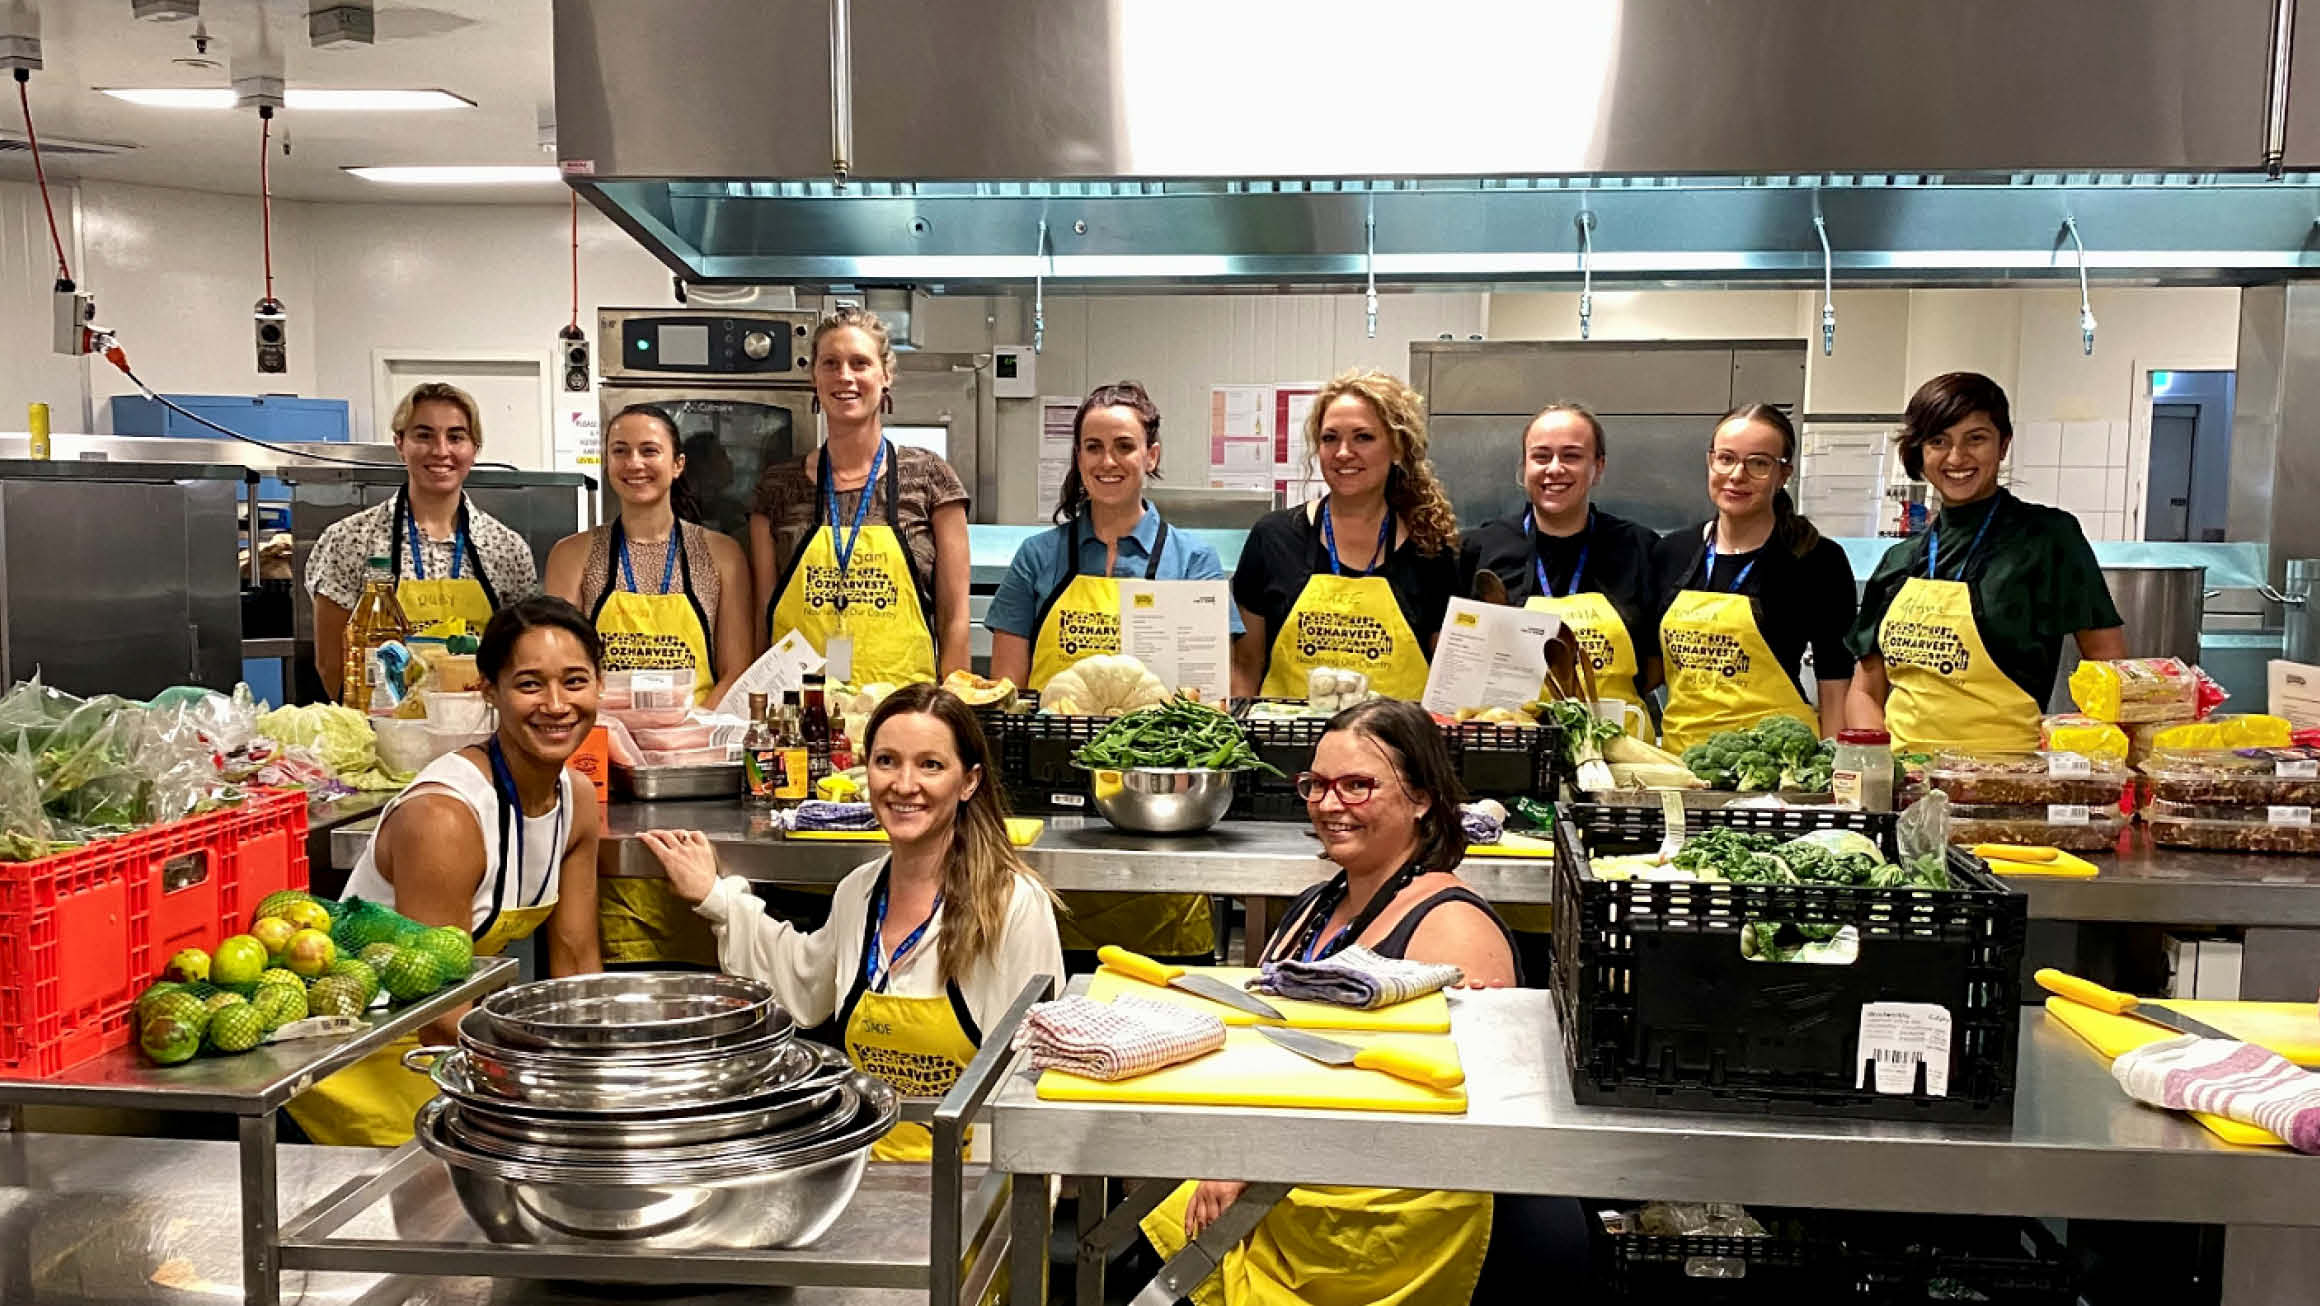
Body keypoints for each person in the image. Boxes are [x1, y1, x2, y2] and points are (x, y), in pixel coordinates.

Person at [1142, 698, 1517, 1306]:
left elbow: (1459, 1121)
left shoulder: (1453, 930)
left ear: (1421, 798)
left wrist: (1257, 1157)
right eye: (1316, 785)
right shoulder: (1320, 902)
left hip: (1386, 1222)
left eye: (1358, 785)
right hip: (1298, 1171)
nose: (1329, 804)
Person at [647, 683, 1064, 1161]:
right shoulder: (860, 892)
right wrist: (714, 898)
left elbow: (1030, 1073)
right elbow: (805, 981)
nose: (904, 785)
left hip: (966, 1187)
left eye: (931, 764)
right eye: (887, 761)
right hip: (866, 1177)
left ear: (968, 781)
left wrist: (994, 1216)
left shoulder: (1012, 904)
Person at [285, 598, 604, 1146]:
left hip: (451, 1049)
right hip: (371, 1052)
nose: (556, 705)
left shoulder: (575, 798)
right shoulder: (446, 817)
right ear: (490, 693)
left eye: (575, 681)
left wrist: (600, 1066)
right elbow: (439, 1007)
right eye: (529, 685)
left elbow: (576, 961)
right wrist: (543, 1089)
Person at [986, 381, 1239, 963]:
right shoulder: (1038, 556)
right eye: (1092, 447)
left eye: (1124, 446)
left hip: (1158, 806)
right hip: (1049, 800)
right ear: (1078, 458)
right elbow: (1005, 694)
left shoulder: (1191, 559)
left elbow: (1209, 698)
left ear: (1151, 454)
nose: (1107, 461)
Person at [545, 403, 754, 970]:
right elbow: (557, 668)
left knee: (702, 917)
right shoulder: (574, 555)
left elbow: (737, 666)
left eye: (649, 451)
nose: (634, 464)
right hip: (599, 773)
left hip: (695, 775)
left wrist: (677, 745)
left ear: (678, 464)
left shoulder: (721, 556)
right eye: (620, 451)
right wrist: (613, 743)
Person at [1849, 372, 2127, 754]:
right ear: (1920, 452)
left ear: (2003, 444)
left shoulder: (2047, 538)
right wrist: (1880, 767)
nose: (1956, 458)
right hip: (1906, 785)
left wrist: (2080, 755)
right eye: (1938, 441)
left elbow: (2108, 666)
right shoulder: (1899, 560)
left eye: (1975, 439)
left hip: (2008, 781)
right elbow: (1865, 689)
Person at [748, 306, 972, 686]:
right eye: (830, 363)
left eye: (860, 363)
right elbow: (761, 615)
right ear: (813, 377)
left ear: (885, 376)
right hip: (798, 714)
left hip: (903, 716)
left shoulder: (930, 478)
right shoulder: (777, 488)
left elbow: (956, 617)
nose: (845, 376)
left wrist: (949, 710)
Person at [1231, 369, 1462, 701]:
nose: (1342, 452)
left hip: (1397, 746)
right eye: (1330, 438)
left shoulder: (1432, 549)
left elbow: (1448, 680)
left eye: (1363, 437)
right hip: (1287, 745)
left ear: (1398, 447)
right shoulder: (1273, 538)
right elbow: (1247, 663)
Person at [307, 382, 538, 700]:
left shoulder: (507, 549)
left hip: (484, 733)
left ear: (474, 448)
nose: (441, 450)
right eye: (424, 435)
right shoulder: (349, 541)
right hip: (386, 734)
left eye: (456, 437)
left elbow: (522, 657)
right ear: (400, 444)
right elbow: (332, 664)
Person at [1651, 404, 1857, 751]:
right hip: (1680, 764)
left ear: (1784, 473)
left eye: (1758, 463)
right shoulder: (1672, 552)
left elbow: (1835, 680)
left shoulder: (1817, 559)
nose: (1736, 475)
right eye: (1726, 458)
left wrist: (1835, 777)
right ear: (1710, 462)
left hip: (1780, 769)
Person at [1459, 402, 1662, 724]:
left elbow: (1655, 665)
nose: (1555, 468)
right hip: (1512, 740)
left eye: (1571, 456)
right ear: (1523, 467)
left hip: (1616, 743)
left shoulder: (1639, 548)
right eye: (1541, 456)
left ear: (1599, 467)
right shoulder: (1479, 549)